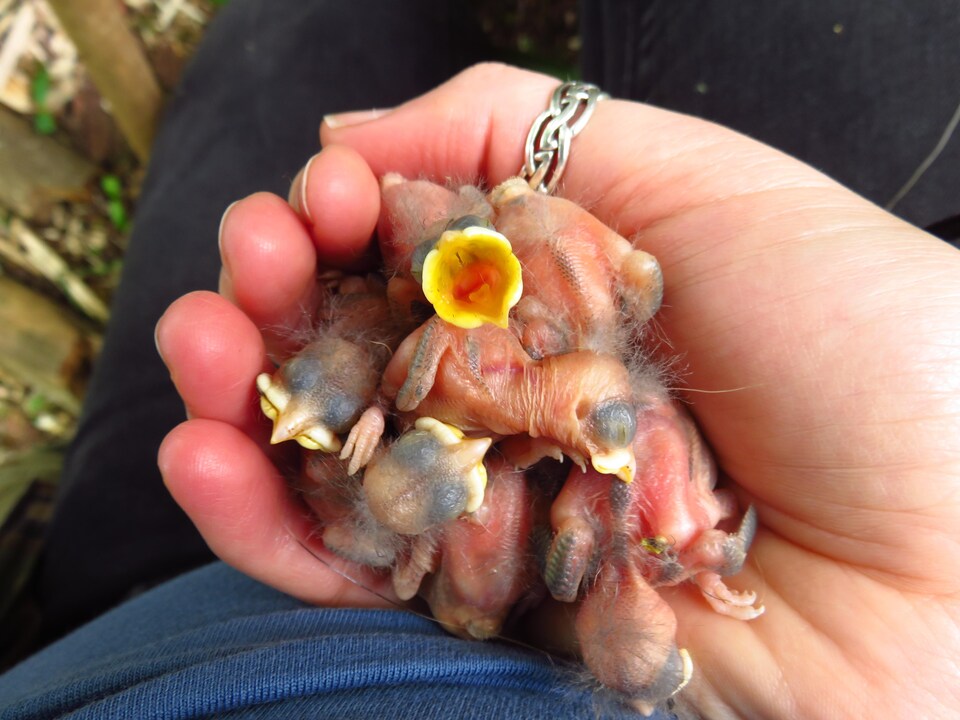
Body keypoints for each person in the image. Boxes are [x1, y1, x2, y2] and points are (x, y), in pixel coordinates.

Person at [2, 1, 959, 718]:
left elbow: (556, 459)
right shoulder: (531, 399)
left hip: (124, 614)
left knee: (281, 69)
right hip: (350, 498)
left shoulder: (543, 457)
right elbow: (619, 310)